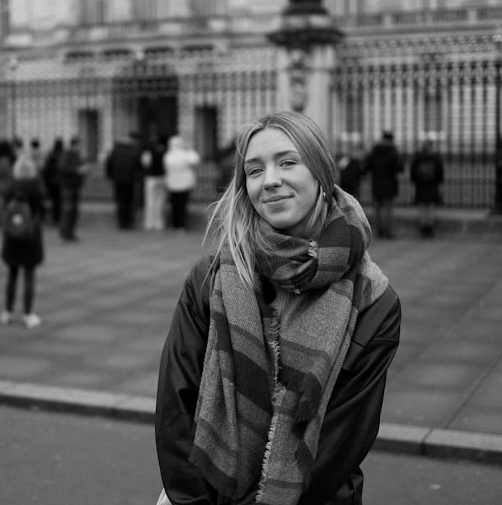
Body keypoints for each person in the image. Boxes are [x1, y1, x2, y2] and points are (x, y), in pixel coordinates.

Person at [155, 112, 400, 505]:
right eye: (254, 170)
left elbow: (338, 444)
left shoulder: (373, 301)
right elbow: (177, 408)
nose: (269, 181)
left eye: (288, 162)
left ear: (321, 173)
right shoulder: (212, 278)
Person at [1, 156, 47, 328]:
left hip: (12, 236)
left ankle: (7, 312)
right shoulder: (36, 189)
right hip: (30, 236)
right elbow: (43, 208)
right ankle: (28, 314)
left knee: (12, 275)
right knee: (29, 276)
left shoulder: (10, 189)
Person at [364, 130, 403, 239]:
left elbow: (367, 167)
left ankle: (378, 230)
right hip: (389, 183)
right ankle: (387, 231)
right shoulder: (393, 151)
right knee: (387, 208)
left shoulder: (374, 150)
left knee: (377, 208)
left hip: (376, 182)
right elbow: (399, 168)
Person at [163, 136, 200, 231]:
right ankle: (181, 225)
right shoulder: (185, 155)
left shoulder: (168, 155)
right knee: (181, 205)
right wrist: (189, 149)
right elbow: (195, 160)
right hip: (184, 184)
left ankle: (176, 224)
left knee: (175, 205)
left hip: (172, 184)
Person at [410, 139, 445, 238]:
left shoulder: (418, 157)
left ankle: (423, 227)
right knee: (431, 207)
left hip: (420, 185)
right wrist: (439, 183)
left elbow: (412, 172)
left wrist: (415, 181)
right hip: (432, 185)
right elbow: (440, 173)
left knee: (422, 207)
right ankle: (429, 227)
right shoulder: (435, 157)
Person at [106, 135, 141, 230]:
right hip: (130, 180)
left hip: (118, 179)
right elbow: (138, 166)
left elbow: (109, 164)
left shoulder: (115, 151)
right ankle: (129, 222)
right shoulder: (134, 151)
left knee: (121, 201)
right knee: (129, 201)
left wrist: (110, 175)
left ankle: (122, 222)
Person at [59, 137, 88, 242]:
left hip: (75, 185)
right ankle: (65, 233)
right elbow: (62, 168)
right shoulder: (66, 154)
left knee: (74, 211)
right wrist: (77, 170)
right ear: (74, 145)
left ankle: (70, 232)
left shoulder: (77, 155)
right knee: (68, 210)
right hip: (68, 186)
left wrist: (83, 170)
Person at [141, 136, 168, 231]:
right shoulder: (165, 152)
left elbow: (145, 164)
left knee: (150, 201)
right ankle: (159, 223)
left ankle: (149, 223)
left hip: (151, 178)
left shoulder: (148, 152)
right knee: (160, 201)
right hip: (161, 177)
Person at [42, 138, 64, 225]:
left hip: (51, 182)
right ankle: (58, 218)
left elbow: (46, 170)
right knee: (59, 201)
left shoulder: (51, 156)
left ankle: (53, 218)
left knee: (53, 201)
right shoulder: (63, 155)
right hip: (60, 182)